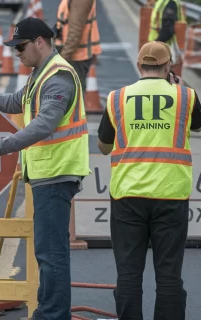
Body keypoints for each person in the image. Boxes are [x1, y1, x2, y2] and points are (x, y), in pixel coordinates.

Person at [0, 17, 91, 320]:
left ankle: (53, 315)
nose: (17, 53)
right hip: (48, 172)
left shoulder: (58, 76)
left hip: (57, 172)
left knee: (51, 253)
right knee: (48, 250)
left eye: (21, 46)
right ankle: (51, 312)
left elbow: (44, 124)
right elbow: (18, 102)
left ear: (40, 42)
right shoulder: (40, 74)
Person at [97, 41, 201, 320]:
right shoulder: (186, 96)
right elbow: (197, 124)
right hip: (171, 193)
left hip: (128, 195)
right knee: (169, 274)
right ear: (169, 66)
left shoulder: (117, 98)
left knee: (129, 273)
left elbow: (104, 147)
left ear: (139, 65)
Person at [54, 0, 102, 92]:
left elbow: (75, 33)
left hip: (74, 57)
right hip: (72, 55)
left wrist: (62, 61)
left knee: (71, 98)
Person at [148, 0, 186, 71]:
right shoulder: (162, 2)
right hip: (160, 49)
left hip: (162, 50)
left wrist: (155, 44)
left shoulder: (170, 3)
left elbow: (168, 29)